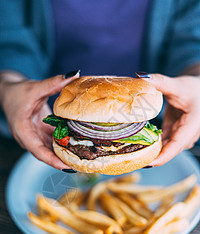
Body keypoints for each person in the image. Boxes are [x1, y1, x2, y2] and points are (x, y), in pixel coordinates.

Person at [0, 0, 200, 171]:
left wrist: (196, 80)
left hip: (162, 119)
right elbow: (9, 40)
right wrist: (7, 85)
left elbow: (192, 42)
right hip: (36, 120)